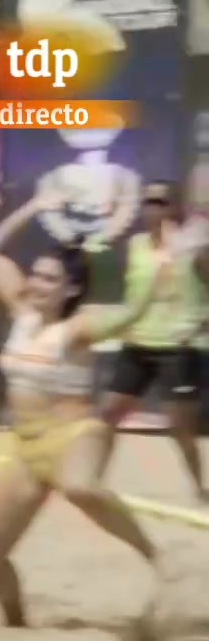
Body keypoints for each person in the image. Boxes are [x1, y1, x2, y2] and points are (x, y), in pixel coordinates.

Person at [0, 195, 173, 631]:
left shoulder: (78, 327)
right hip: (28, 448)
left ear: (70, 289)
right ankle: (16, 626)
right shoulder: (21, 312)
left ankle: (159, 557)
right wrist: (35, 206)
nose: (36, 283)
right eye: (36, 274)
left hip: (76, 433)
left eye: (49, 278)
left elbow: (130, 315)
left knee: (81, 487)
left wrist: (156, 279)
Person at [99, 182, 209, 504]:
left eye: (160, 201)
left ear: (175, 207)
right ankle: (91, 480)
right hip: (137, 344)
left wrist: (202, 321)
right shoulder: (135, 245)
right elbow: (132, 293)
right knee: (107, 415)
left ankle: (199, 489)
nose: (153, 207)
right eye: (148, 201)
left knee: (180, 428)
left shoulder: (196, 248)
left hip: (178, 347)